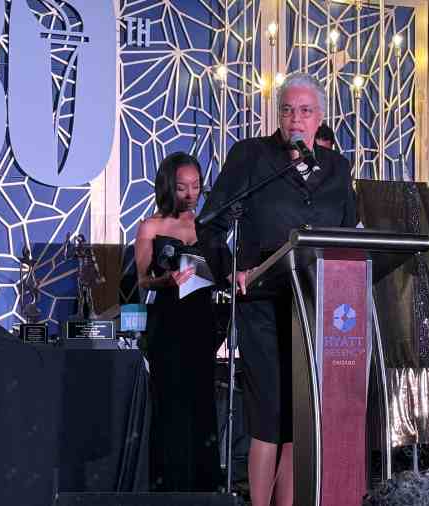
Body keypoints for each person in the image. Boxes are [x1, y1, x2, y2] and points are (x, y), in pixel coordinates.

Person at [197, 73, 357, 506]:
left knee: (299, 420)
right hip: (264, 307)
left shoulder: (338, 169)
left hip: (316, 308)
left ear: (319, 118)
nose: (295, 120)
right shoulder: (251, 157)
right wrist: (232, 271)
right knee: (269, 417)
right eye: (287, 110)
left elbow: (348, 236)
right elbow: (209, 225)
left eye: (305, 111)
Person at [135, 152, 221, 492]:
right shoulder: (151, 226)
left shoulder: (208, 227)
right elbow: (141, 280)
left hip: (202, 322)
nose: (191, 194)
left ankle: (205, 488)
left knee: (202, 404)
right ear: (169, 186)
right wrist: (166, 281)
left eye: (197, 186)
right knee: (171, 405)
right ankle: (168, 487)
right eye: (183, 187)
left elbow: (221, 273)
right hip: (168, 324)